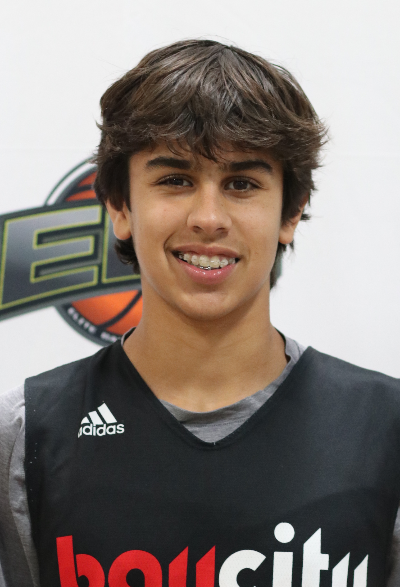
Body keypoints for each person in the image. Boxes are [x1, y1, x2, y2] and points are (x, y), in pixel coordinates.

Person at [0, 38, 399, 587]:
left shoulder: (387, 427)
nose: (208, 218)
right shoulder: (26, 431)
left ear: (290, 212)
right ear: (120, 206)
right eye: (175, 179)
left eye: (241, 184)